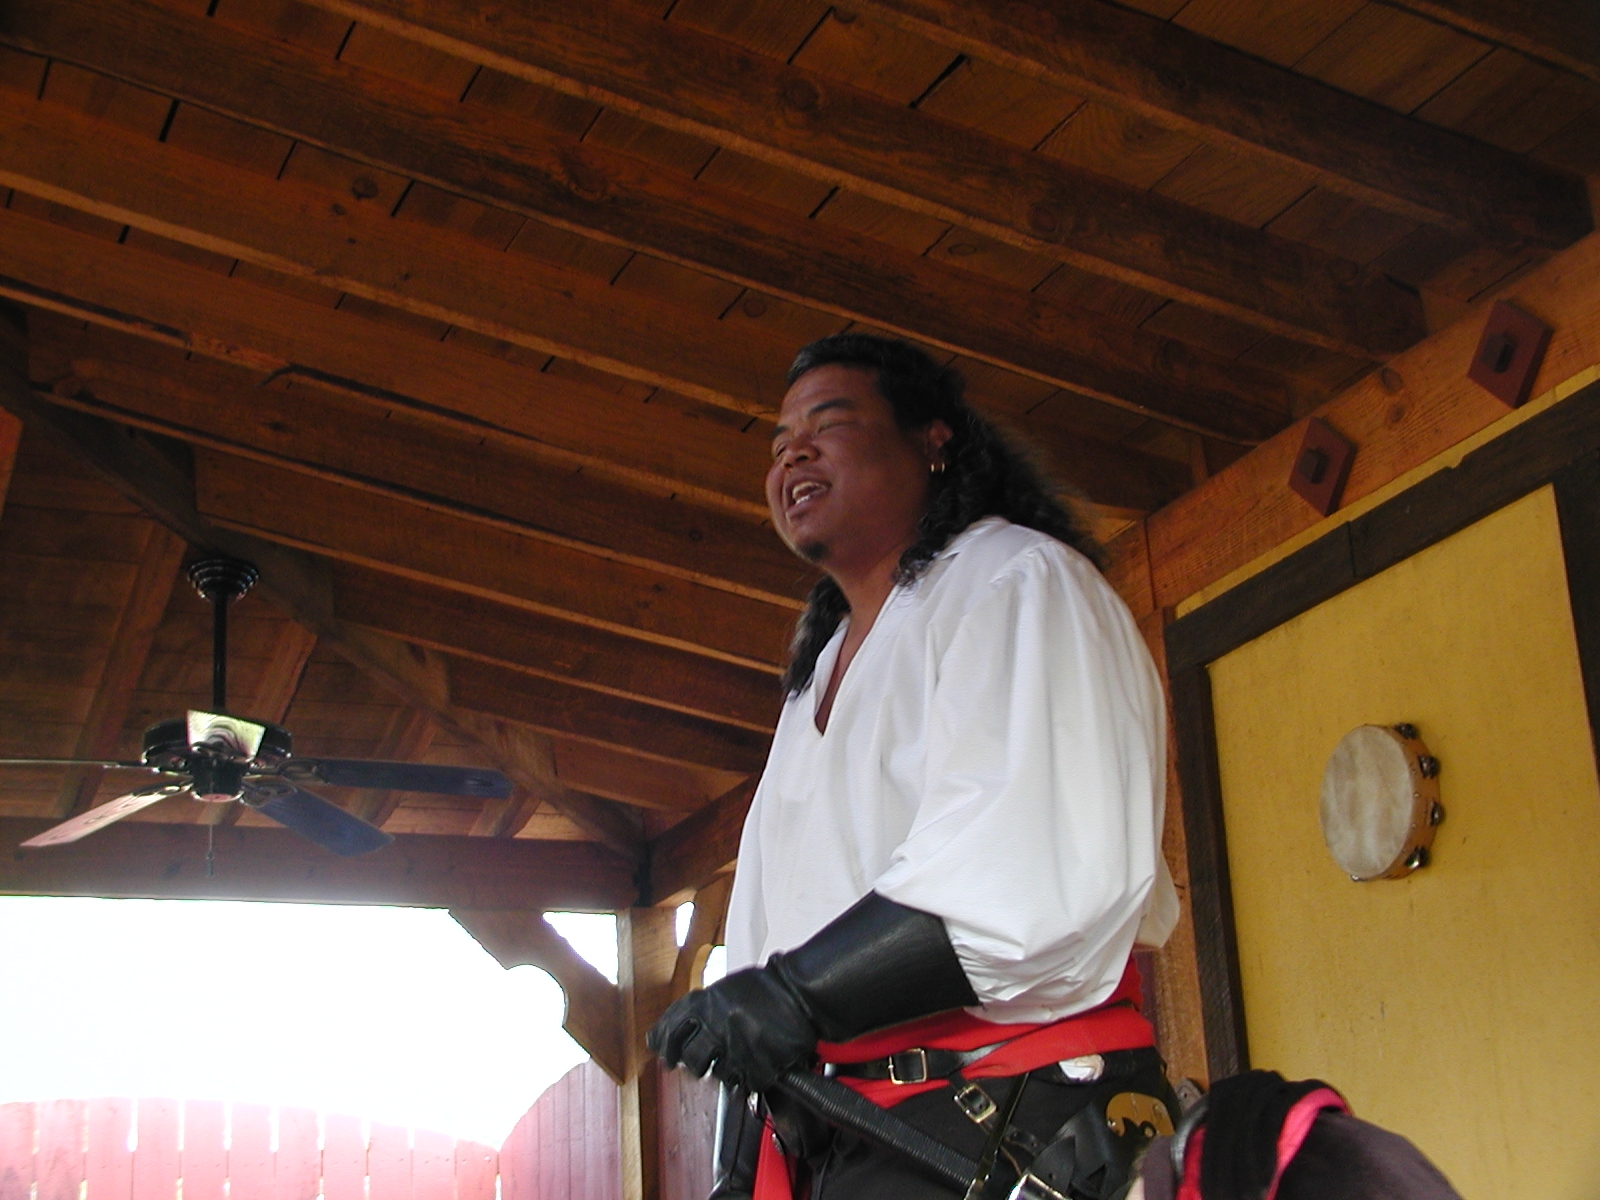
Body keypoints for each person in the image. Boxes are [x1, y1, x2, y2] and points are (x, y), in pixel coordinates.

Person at [650, 334, 1180, 1199]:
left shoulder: (1017, 581)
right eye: (780, 443)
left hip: (1004, 1118)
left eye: (828, 424)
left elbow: (1017, 877)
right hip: (859, 1139)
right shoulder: (817, 677)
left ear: (933, 442)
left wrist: (796, 998)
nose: (793, 455)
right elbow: (766, 942)